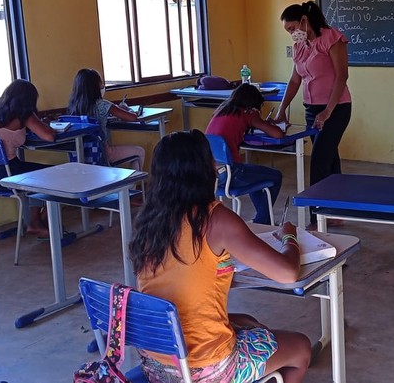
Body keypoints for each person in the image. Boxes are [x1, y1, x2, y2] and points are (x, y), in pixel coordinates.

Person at [129, 130, 311, 383]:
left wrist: (233, 319)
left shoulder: (149, 223)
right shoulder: (214, 218)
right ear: (204, 170)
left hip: (157, 362)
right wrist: (289, 237)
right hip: (208, 368)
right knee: (301, 348)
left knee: (248, 321)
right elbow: (288, 272)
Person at [274, 1, 352, 225]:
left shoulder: (331, 38)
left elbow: (342, 76)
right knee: (329, 158)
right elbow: (295, 80)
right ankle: (335, 213)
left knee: (318, 160)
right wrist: (282, 110)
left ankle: (317, 218)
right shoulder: (300, 46)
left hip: (336, 108)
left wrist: (328, 111)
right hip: (312, 110)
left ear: (304, 21)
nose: (292, 34)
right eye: (288, 31)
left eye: (292, 28)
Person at [0, 79, 55, 237]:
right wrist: (43, 124)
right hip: (8, 176)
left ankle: (38, 221)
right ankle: (37, 222)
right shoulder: (24, 115)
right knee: (52, 175)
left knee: (39, 174)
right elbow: (49, 136)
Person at [204, 84, 285, 225]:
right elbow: (278, 134)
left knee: (255, 177)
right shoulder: (248, 113)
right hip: (231, 173)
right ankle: (262, 221)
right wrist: (265, 123)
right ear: (252, 104)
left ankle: (263, 220)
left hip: (212, 175)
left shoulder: (221, 111)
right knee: (276, 176)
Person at [66, 68, 146, 168]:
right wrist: (126, 108)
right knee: (139, 151)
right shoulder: (102, 104)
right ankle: (134, 179)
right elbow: (132, 118)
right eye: (101, 84)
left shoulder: (73, 106)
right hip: (102, 152)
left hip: (80, 155)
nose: (102, 86)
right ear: (95, 86)